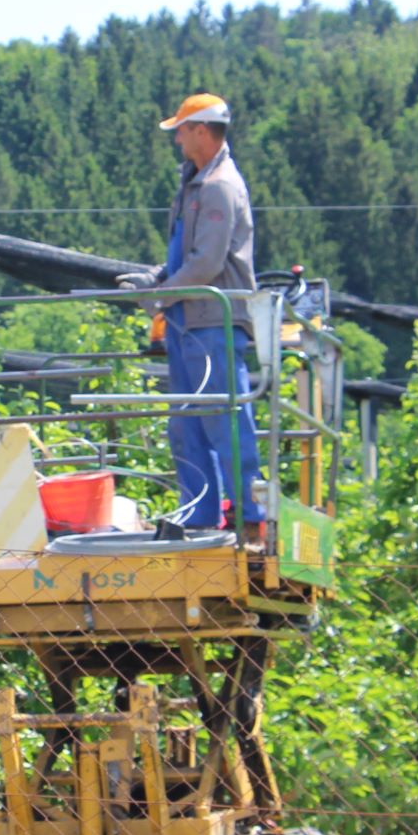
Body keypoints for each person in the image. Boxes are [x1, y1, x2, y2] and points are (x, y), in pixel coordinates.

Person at [120, 93, 264, 545]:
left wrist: (159, 297)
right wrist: (154, 279)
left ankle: (251, 514)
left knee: (224, 414)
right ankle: (202, 513)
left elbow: (206, 263)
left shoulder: (219, 184)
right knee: (186, 419)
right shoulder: (196, 182)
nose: (178, 138)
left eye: (181, 129)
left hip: (213, 319)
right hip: (189, 317)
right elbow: (185, 256)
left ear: (201, 130)